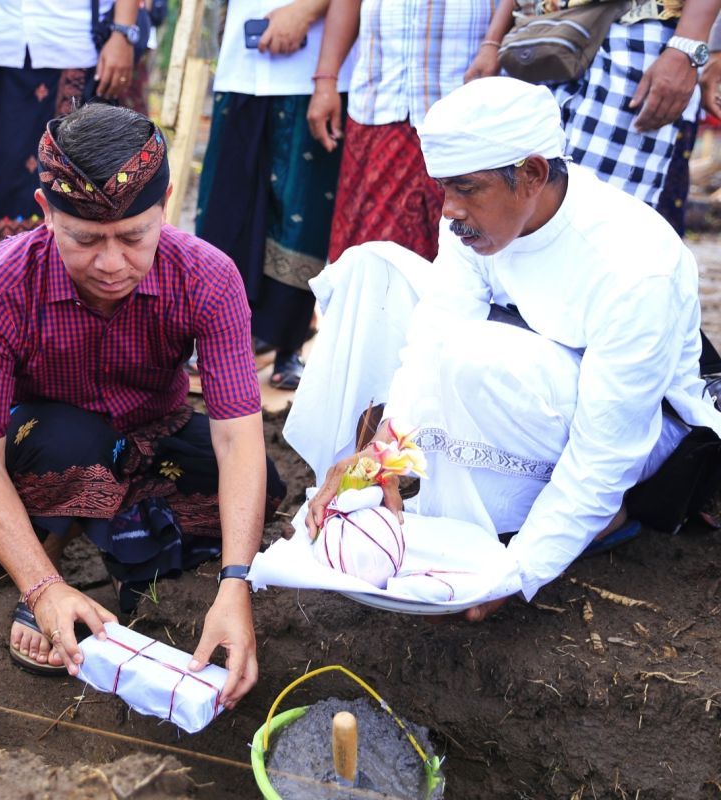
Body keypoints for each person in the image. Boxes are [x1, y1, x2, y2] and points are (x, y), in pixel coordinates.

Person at [289, 77, 721, 623]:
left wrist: (520, 570)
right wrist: (382, 452)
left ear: (533, 174)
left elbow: (608, 450)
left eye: (466, 188)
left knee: (476, 358)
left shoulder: (635, 267)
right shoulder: (477, 221)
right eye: (444, 188)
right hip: (542, 376)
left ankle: (596, 518)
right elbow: (434, 331)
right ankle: (452, 502)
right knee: (374, 273)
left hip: (642, 433)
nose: (448, 210)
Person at [0, 104, 285, 708]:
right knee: (76, 446)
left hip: (155, 430)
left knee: (261, 491)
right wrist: (43, 589)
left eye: (133, 236)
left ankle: (123, 541)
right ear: (46, 214)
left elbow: (237, 439)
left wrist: (236, 583)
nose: (112, 263)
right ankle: (50, 552)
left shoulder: (209, 277)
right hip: (48, 440)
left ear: (166, 204)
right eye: (84, 239)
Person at [196, 0, 352, 391]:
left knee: (303, 213)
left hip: (315, 69)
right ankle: (216, 340)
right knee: (226, 210)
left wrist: (308, 10)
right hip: (240, 66)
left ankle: (287, 345)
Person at [465, 0, 721, 232]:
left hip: (633, 32)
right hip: (536, 35)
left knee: (607, 224)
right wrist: (492, 42)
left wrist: (686, 47)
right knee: (514, 213)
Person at [309, 0, 495, 263]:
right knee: (372, 264)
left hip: (464, 112)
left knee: (466, 259)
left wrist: (493, 43)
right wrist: (326, 80)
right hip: (379, 107)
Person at [0, 0, 140, 252]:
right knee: (6, 168)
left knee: (73, 174)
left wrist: (123, 33)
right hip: (8, 45)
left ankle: (69, 271)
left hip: (73, 44)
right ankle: (9, 269)